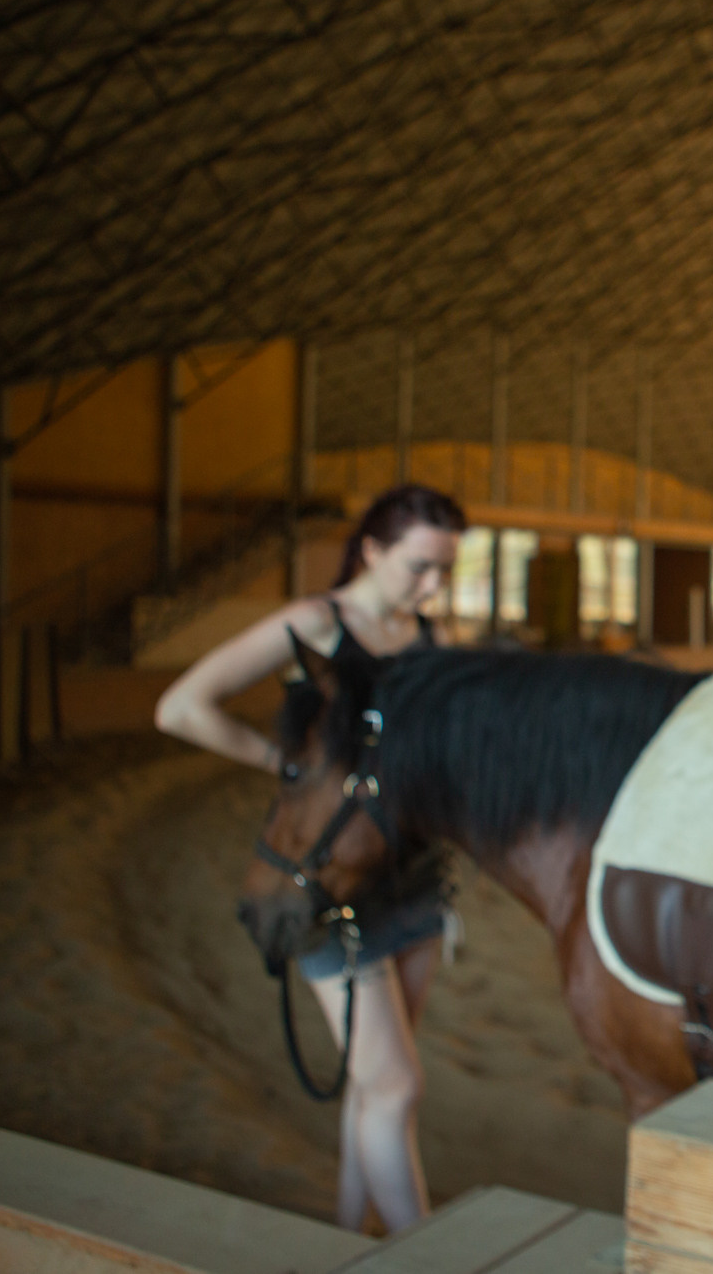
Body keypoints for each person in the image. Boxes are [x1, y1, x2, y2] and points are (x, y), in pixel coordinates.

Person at [155, 483, 466, 1233]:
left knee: (373, 1086)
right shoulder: (314, 624)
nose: (433, 587)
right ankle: (422, 1254)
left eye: (445, 570)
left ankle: (345, 1239)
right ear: (371, 550)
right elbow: (180, 707)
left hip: (414, 880)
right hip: (329, 887)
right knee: (395, 1087)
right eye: (420, 566)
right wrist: (284, 765)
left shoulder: (427, 637)